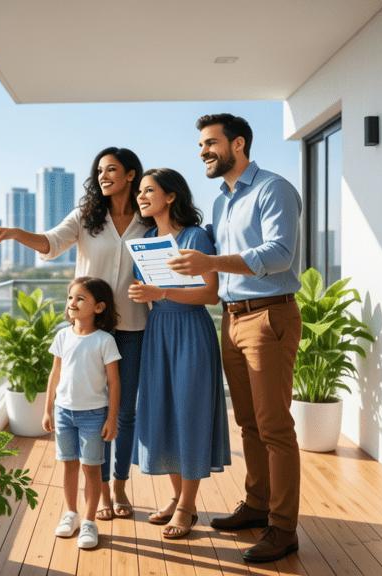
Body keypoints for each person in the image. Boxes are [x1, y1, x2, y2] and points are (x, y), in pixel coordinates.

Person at [0, 147, 147, 520]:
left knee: (125, 413)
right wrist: (13, 233)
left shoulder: (147, 220)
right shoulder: (87, 217)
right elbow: (50, 244)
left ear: (132, 175)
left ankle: (119, 485)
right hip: (90, 331)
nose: (103, 176)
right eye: (99, 170)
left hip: (133, 326)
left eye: (112, 169)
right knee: (95, 409)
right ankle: (100, 491)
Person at [167, 113, 303, 563]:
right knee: (247, 422)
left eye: (210, 143)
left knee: (275, 427)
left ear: (238, 144)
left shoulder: (272, 189)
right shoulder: (222, 201)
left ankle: (283, 529)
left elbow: (280, 255)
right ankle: (258, 504)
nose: (203, 151)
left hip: (269, 317)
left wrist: (212, 265)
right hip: (231, 317)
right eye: (201, 145)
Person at [127, 168, 231, 539]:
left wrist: (162, 294)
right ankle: (177, 497)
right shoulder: (147, 239)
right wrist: (143, 294)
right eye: (139, 191)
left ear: (171, 196)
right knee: (164, 414)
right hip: (158, 333)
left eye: (149, 190)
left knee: (189, 413)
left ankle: (188, 505)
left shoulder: (195, 237)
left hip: (190, 331)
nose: (141, 196)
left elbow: (210, 294)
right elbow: (152, 290)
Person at [42, 276, 122, 550]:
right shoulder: (62, 336)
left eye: (80, 298)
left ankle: (89, 522)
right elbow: (55, 374)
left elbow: (114, 383)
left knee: (91, 469)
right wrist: (48, 409)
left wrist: (112, 418)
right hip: (64, 413)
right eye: (70, 297)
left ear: (98, 308)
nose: (72, 303)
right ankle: (71, 514)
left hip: (93, 416)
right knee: (68, 465)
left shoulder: (105, 341)